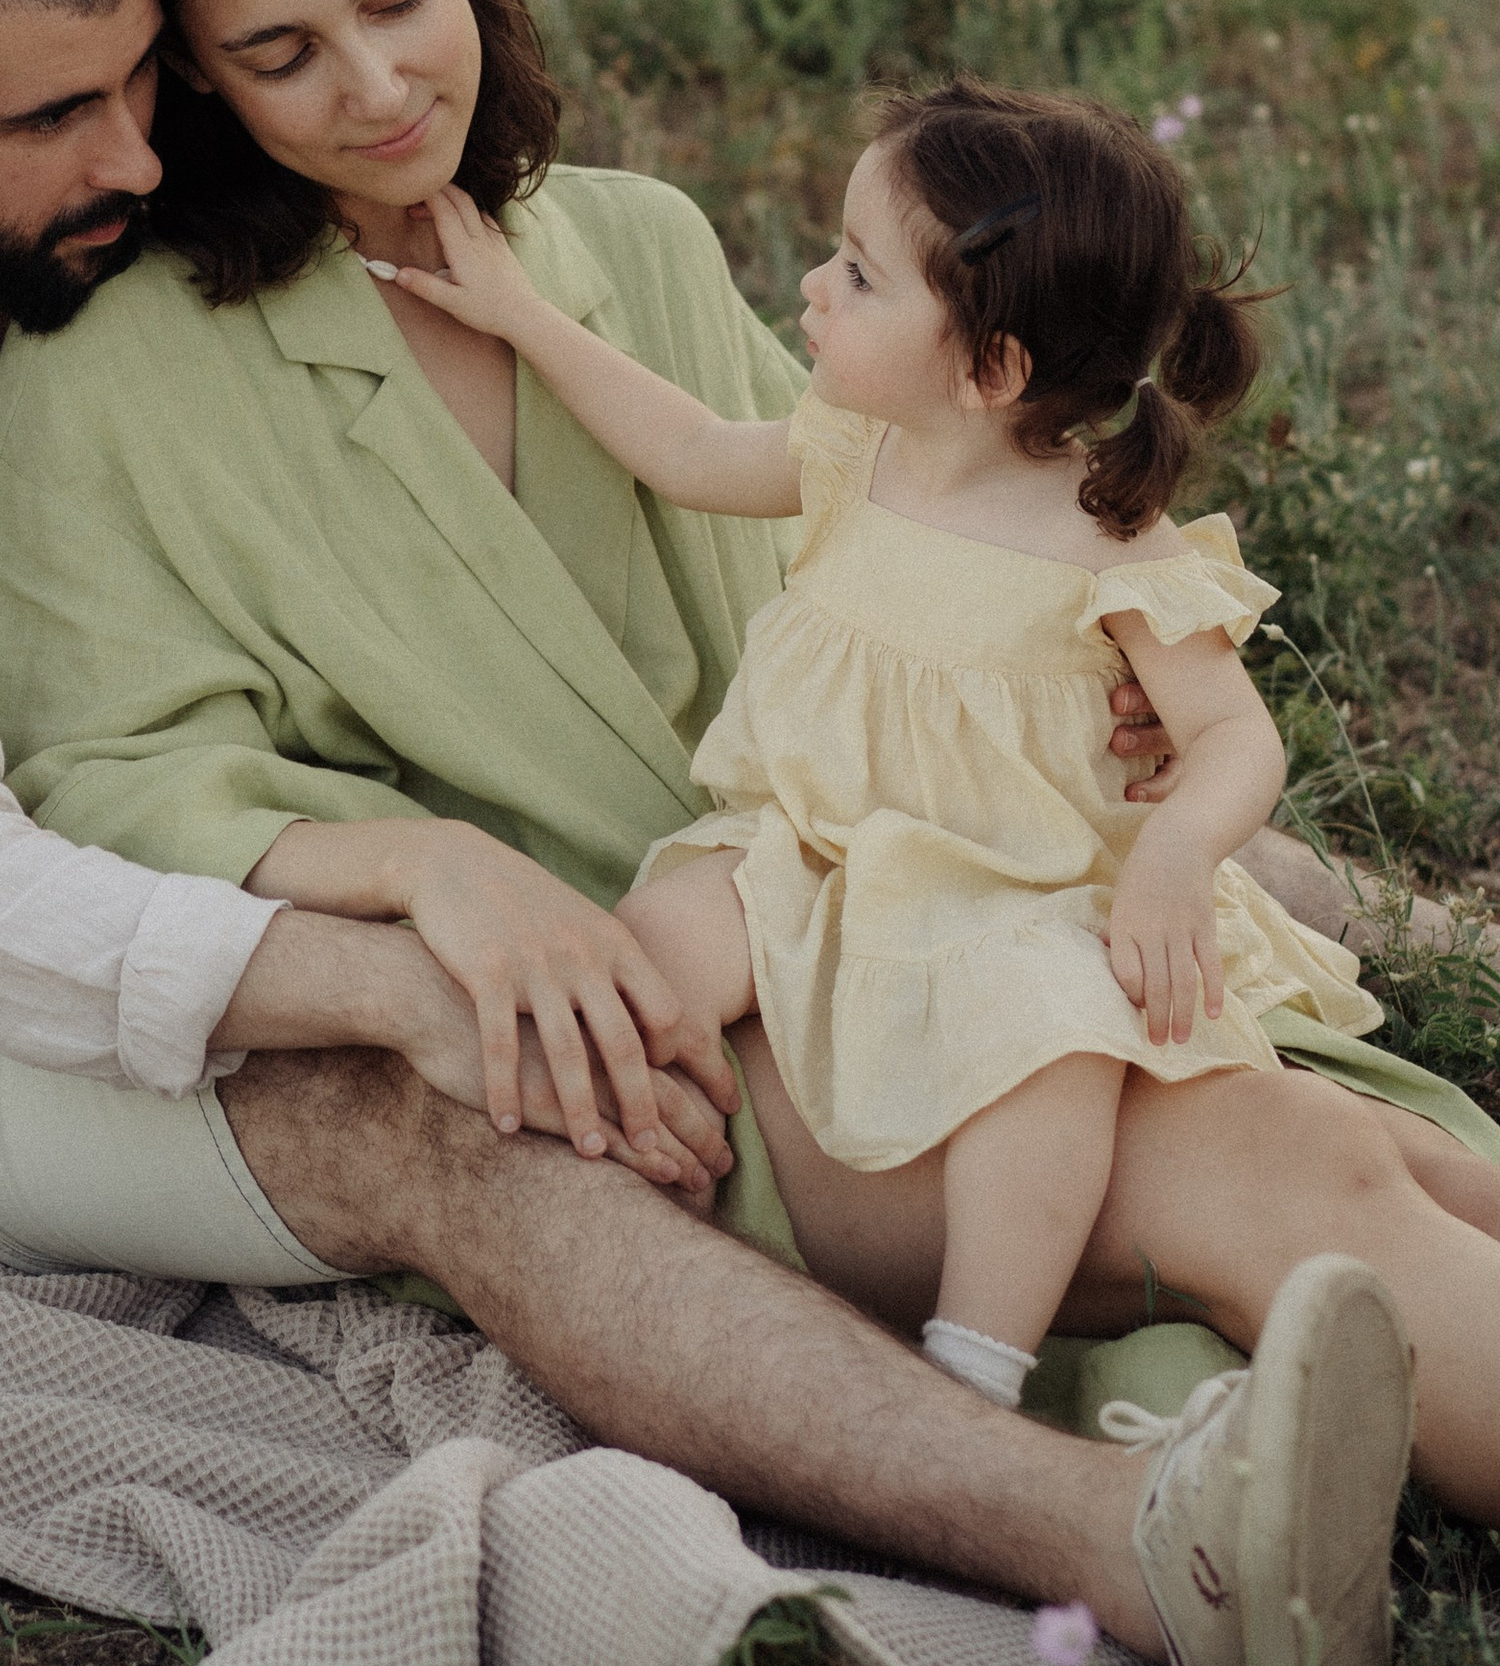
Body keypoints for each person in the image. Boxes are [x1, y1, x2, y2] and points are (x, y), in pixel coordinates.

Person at [0, 0, 1500, 1640]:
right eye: (278, 53)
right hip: (651, 1043)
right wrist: (423, 872)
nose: (372, 85)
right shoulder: (122, 374)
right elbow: (93, 775)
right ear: (185, 71)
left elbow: (869, 590)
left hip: (894, 938)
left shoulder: (626, 240)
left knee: (1406, 1172)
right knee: (1281, 1170)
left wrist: (1062, 699)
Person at [0, 0, 1417, 1666]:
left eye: (142, 87)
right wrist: (387, 951)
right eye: (49, 125)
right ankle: (1129, 1555)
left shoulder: (129, 236)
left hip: (136, 841)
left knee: (969, 798)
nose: (133, 158)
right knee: (452, 1081)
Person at [375, 83, 1380, 1421]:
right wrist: (519, 313)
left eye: (856, 271)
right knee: (654, 952)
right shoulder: (858, 450)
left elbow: (1232, 737)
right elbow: (679, 445)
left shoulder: (1110, 549)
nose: (811, 286)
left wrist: (1183, 850)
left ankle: (977, 1358)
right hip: (800, 846)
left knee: (1056, 1060)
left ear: (991, 368)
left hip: (1004, 901)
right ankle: (639, 1213)